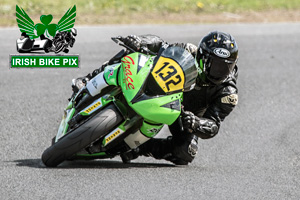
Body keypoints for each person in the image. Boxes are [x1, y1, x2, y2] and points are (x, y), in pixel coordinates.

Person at [72, 31, 239, 165]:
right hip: (162, 89)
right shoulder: (189, 51)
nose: (221, 71)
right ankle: (89, 78)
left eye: (227, 66)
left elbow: (214, 124)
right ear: (203, 56)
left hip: (183, 115)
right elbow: (161, 45)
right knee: (133, 50)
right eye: (216, 65)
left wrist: (197, 123)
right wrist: (140, 41)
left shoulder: (227, 93)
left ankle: (136, 148)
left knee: (186, 152)